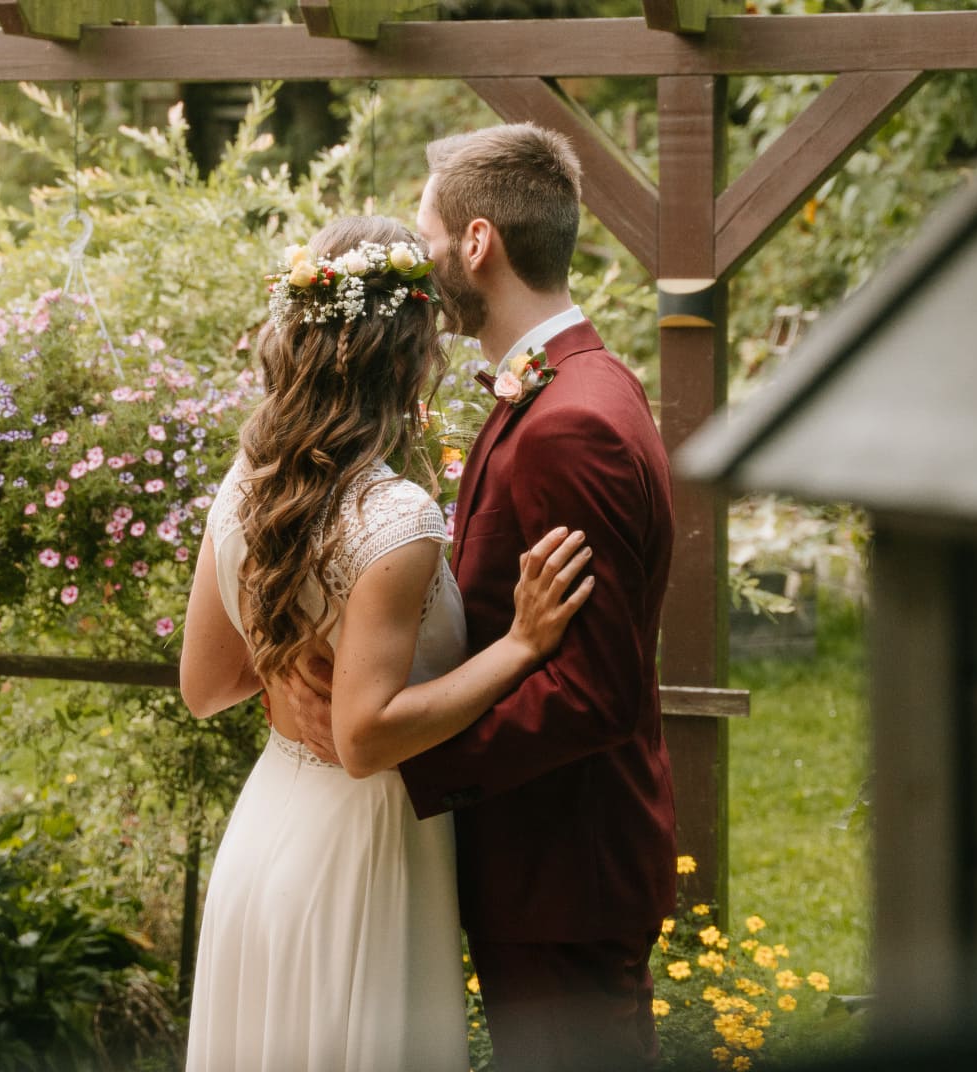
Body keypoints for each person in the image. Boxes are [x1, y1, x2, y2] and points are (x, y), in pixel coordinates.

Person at [289, 124, 678, 1070]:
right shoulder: (569, 388)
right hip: (552, 862)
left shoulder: (569, 424)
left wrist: (397, 755)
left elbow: (590, 694)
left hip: (565, 868)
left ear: (476, 243)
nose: (417, 273)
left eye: (425, 241)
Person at [179, 213, 595, 1072]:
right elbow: (365, 740)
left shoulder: (245, 481)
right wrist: (518, 645)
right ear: (411, 354)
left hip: (265, 838)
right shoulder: (393, 516)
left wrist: (282, 655)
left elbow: (205, 685)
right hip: (359, 858)